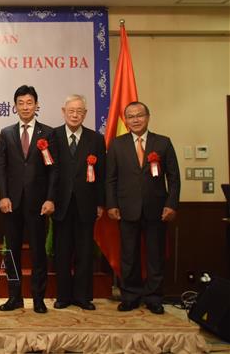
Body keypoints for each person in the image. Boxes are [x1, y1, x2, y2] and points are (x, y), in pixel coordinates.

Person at [106, 101, 180, 314]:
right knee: (129, 256)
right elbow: (110, 178)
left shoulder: (163, 143)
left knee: (155, 256)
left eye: (139, 115)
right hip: (126, 208)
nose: (135, 119)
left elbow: (173, 178)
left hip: (157, 209)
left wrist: (171, 204)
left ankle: (154, 298)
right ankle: (130, 296)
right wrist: (111, 204)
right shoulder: (117, 144)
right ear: (126, 120)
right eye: (131, 116)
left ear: (148, 117)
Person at [0, 85, 57, 314]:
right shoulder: (6, 133)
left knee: (38, 252)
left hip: (38, 204)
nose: (25, 106)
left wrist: (50, 199)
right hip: (11, 203)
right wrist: (3, 196)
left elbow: (53, 170)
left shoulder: (48, 134)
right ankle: (14, 297)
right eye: (20, 102)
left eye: (29, 102)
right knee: (11, 252)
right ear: (14, 106)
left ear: (36, 105)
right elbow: (1, 168)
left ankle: (38, 298)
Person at [52, 94, 106, 311]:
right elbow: (48, 173)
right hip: (60, 204)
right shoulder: (52, 136)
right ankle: (63, 296)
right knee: (62, 252)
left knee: (84, 252)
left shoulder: (96, 139)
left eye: (79, 111)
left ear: (85, 114)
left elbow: (101, 175)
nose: (75, 115)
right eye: (71, 111)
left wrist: (101, 203)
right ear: (63, 111)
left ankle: (83, 296)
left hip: (87, 204)